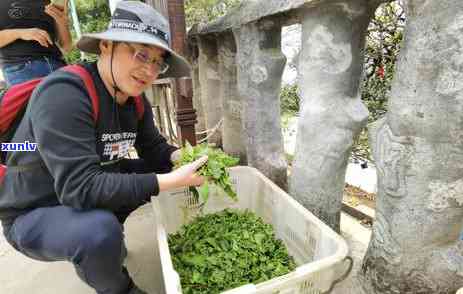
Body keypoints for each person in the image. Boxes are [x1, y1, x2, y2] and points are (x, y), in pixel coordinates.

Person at [0, 1, 204, 293]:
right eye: (140, 54)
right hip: (34, 210)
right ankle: (118, 287)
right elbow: (79, 188)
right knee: (98, 231)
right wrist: (169, 182)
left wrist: (181, 157)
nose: (149, 70)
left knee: (163, 171)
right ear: (106, 46)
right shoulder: (64, 93)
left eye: (158, 62)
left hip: (82, 188)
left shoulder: (133, 98)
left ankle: (104, 251)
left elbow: (155, 149)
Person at [0, 0, 72, 86]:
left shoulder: (48, 3)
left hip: (58, 66)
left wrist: (63, 23)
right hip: (22, 68)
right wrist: (20, 33)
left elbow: (66, 46)